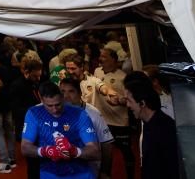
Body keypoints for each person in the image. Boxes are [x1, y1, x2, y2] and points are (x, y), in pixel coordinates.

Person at [21, 81, 101, 179]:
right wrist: (45, 151)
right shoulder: (34, 113)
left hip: (80, 174)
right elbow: (25, 148)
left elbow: (95, 151)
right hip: (49, 174)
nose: (55, 109)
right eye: (49, 106)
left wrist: (75, 151)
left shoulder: (79, 114)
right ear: (41, 100)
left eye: (58, 104)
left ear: (62, 97)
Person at [123, 77, 179, 179]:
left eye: (129, 101)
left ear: (142, 103)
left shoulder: (164, 130)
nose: (127, 105)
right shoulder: (148, 123)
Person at [59, 78, 114, 179]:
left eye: (71, 91)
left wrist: (105, 171)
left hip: (90, 170)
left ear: (80, 93)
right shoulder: (55, 111)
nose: (66, 96)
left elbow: (106, 143)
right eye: (62, 91)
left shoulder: (93, 113)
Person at [93, 48, 133, 179]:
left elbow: (129, 100)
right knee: (105, 154)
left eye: (104, 56)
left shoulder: (123, 77)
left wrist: (119, 101)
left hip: (120, 122)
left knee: (126, 152)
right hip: (103, 122)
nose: (101, 59)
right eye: (100, 56)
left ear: (114, 60)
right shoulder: (97, 72)